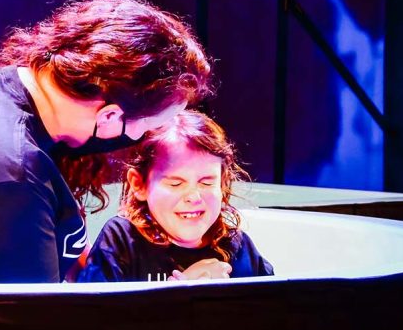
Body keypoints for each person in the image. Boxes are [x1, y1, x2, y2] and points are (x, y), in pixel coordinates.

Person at [0, 0, 213, 283]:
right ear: (109, 116)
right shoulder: (9, 174)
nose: (143, 137)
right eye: (152, 123)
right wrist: (178, 300)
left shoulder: (4, 89)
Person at [78, 109, 274, 282]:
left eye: (206, 182)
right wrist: (181, 289)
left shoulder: (238, 247)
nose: (193, 196)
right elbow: (94, 319)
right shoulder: (121, 240)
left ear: (222, 183)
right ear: (139, 184)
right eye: (176, 183)